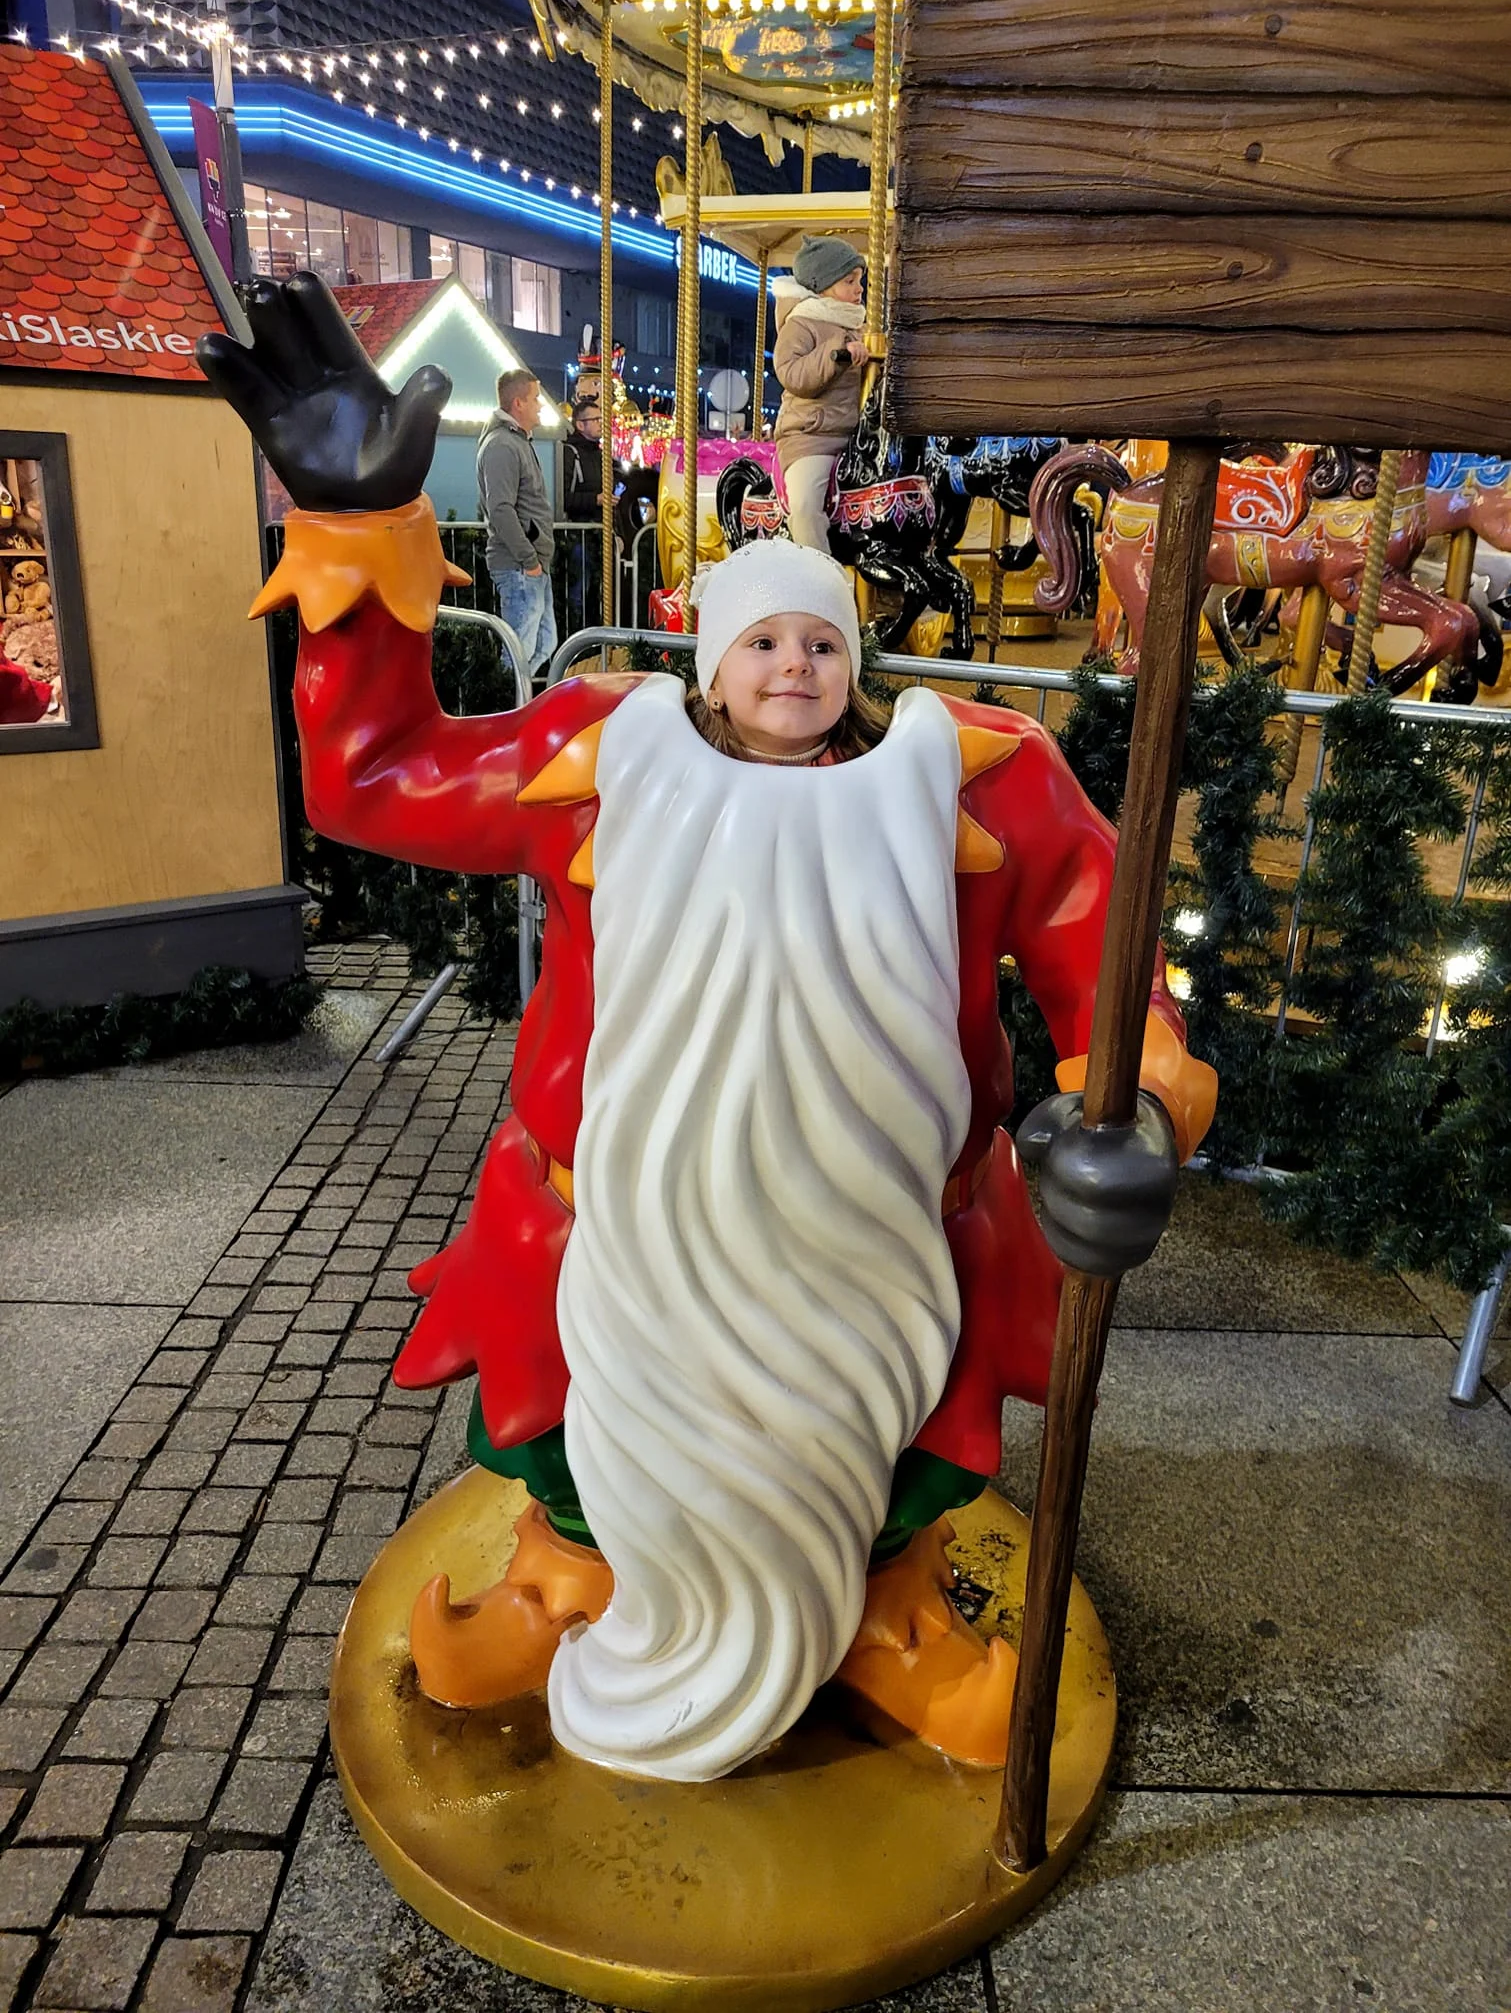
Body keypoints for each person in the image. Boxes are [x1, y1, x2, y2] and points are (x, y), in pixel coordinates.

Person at [200, 275, 1217, 1785]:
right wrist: (357, 520)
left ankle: (881, 1609)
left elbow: (1102, 945)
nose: (791, 668)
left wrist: (1131, 1102)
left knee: (899, 1437)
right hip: (603, 1222)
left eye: (819, 645)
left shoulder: (977, 779)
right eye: (760, 644)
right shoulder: (595, 759)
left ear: (854, 661)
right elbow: (376, 775)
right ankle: (573, 1583)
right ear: (707, 660)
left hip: (887, 1238)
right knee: (566, 1429)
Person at [772, 234, 869, 552]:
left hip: (856, 438)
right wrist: (837, 353)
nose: (859, 289)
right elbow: (791, 374)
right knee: (805, 507)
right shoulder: (801, 323)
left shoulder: (857, 325)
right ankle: (817, 570)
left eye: (859, 280)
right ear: (823, 285)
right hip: (812, 436)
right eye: (849, 281)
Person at [477, 367, 556, 673]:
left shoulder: (515, 442)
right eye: (535, 398)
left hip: (530, 563)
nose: (540, 404)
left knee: (543, 644)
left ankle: (516, 697)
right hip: (520, 565)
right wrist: (528, 559)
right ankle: (507, 699)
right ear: (518, 403)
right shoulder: (502, 445)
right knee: (519, 652)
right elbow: (500, 509)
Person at [560, 395, 605, 629]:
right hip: (580, 534)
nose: (600, 423)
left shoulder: (599, 454)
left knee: (595, 591)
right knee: (579, 589)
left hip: (597, 533)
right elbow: (563, 498)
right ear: (580, 424)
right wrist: (595, 500)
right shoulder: (571, 453)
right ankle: (577, 634)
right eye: (595, 419)